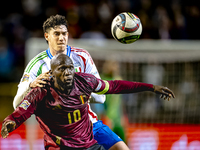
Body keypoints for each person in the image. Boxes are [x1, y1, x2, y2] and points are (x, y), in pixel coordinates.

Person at [1, 54, 175, 150]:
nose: (68, 72)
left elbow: (115, 86)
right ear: (51, 74)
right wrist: (11, 121)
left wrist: (151, 87)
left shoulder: (85, 81)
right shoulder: (41, 91)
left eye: (70, 68)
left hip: (87, 144)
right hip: (60, 147)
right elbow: (22, 110)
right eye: (62, 69)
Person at [12, 14, 129, 150]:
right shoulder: (37, 65)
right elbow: (17, 104)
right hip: (60, 134)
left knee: (121, 148)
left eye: (64, 33)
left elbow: (101, 97)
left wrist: (80, 93)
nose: (61, 38)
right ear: (46, 36)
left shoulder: (82, 57)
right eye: (56, 34)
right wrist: (30, 85)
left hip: (90, 124)